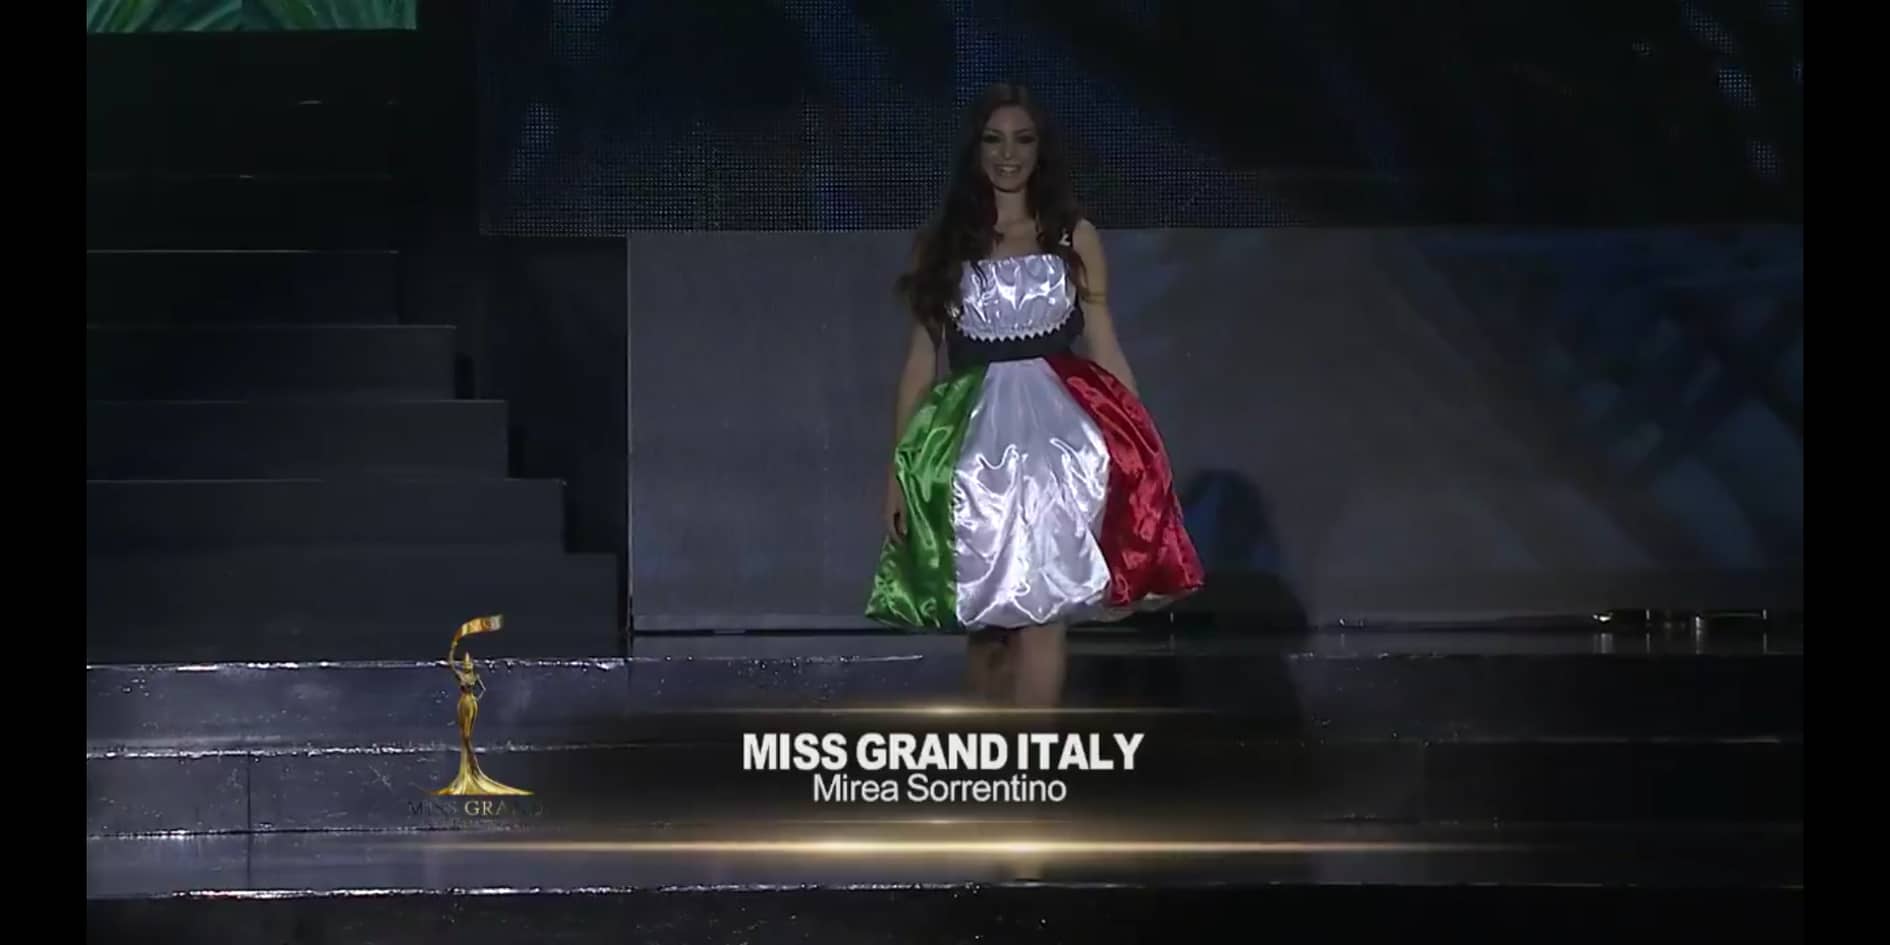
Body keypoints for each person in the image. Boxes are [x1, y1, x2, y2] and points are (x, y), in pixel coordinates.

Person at [866, 83, 1204, 706]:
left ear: (1040, 148)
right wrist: (897, 472)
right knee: (987, 625)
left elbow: (1104, 345)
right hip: (971, 457)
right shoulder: (943, 244)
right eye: (994, 140)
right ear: (975, 150)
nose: (1008, 154)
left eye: (1022, 140)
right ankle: (994, 752)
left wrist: (1146, 450)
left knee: (1044, 615)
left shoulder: (1073, 236)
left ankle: (1033, 760)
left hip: (1060, 451)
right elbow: (919, 364)